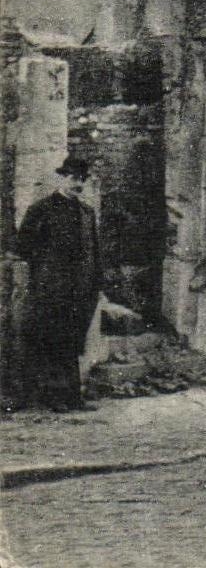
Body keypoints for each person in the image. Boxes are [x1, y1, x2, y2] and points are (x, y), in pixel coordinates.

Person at [15, 158, 103, 412]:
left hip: (82, 290)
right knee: (53, 340)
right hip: (52, 290)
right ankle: (54, 397)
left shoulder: (87, 212)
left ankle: (73, 397)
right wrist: (47, 272)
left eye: (82, 179)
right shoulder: (41, 209)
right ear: (61, 178)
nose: (78, 184)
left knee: (74, 341)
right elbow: (24, 247)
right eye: (73, 178)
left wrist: (96, 283)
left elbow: (94, 251)